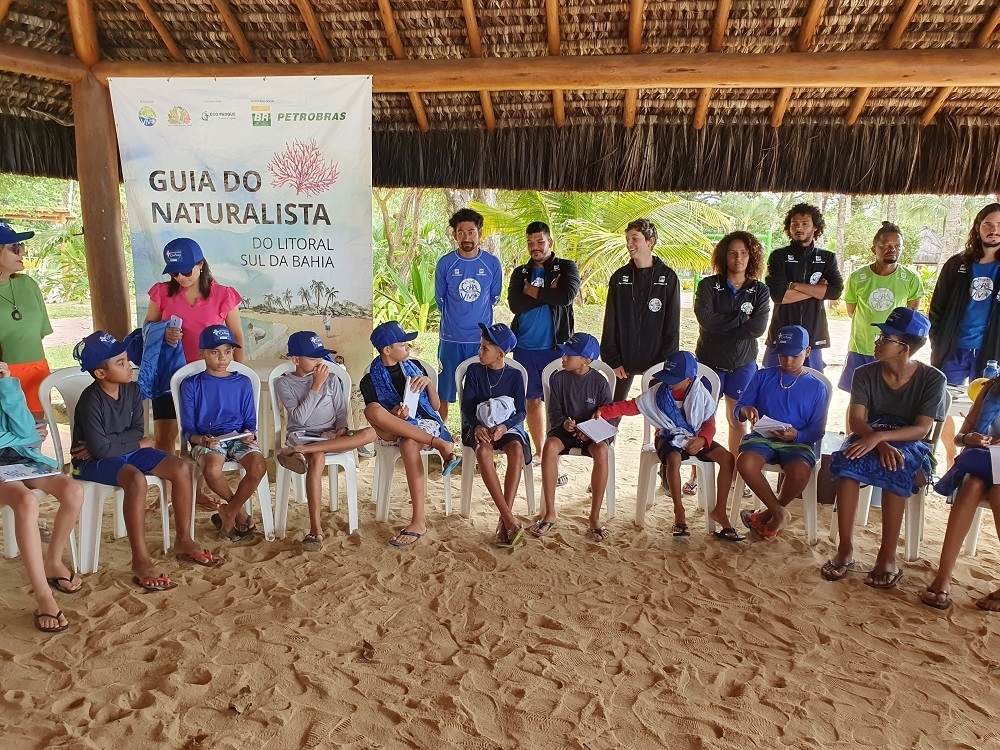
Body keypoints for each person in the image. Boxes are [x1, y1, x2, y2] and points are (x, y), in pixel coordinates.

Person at [70, 332, 219, 592]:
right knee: (135, 480)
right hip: (88, 463)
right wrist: (114, 445)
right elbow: (112, 447)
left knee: (182, 467)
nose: (129, 366)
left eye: (127, 360)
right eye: (120, 363)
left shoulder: (131, 390)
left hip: (112, 452)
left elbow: (136, 432)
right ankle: (140, 560)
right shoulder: (90, 400)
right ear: (100, 374)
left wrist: (110, 444)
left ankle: (184, 540)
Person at [823, 308, 945, 588]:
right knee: (848, 465)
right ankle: (845, 549)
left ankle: (886, 557)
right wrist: (874, 439)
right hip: (869, 432)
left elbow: (922, 429)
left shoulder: (932, 379)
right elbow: (856, 420)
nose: (877, 341)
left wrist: (881, 440)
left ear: (904, 348)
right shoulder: (865, 372)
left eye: (885, 337)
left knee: (897, 466)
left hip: (908, 440)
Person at [597, 351, 741, 541]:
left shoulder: (701, 393)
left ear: (689, 379)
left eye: (674, 379)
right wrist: (603, 411)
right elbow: (632, 406)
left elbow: (709, 422)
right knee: (673, 459)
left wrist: (703, 440)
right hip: (667, 435)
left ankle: (720, 510)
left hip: (696, 435)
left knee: (727, 458)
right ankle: (679, 512)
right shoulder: (659, 391)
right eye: (667, 377)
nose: (669, 382)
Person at [360, 321, 462, 548]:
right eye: (403, 344)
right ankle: (440, 445)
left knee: (408, 443)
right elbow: (378, 419)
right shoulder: (369, 379)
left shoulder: (416, 368)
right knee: (373, 409)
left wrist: (429, 385)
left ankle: (418, 521)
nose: (409, 348)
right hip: (391, 429)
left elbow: (435, 407)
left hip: (424, 424)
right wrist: (395, 415)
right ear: (387, 350)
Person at [145, 237, 245, 467]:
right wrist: (163, 332)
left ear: (200, 264)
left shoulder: (224, 295)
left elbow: (237, 337)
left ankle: (199, 490)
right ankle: (168, 494)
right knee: (165, 437)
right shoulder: (161, 293)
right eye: (174, 273)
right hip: (169, 374)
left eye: (185, 271)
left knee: (207, 435)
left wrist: (237, 374)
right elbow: (147, 329)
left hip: (210, 377)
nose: (180, 277)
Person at [0, 360, 83, 633]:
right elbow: (24, 435)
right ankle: (42, 595)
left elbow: (25, 433)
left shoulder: (7, 387)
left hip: (20, 459)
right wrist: (16, 437)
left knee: (73, 491)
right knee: (26, 501)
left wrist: (7, 386)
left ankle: (53, 562)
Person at [272, 331, 376, 549]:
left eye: (320, 357)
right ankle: (315, 529)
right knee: (317, 458)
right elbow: (299, 418)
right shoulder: (285, 383)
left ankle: (298, 451)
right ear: (295, 360)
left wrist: (341, 429)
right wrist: (316, 386)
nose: (319, 362)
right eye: (313, 358)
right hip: (302, 434)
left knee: (370, 433)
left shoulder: (332, 379)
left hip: (329, 435)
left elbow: (340, 412)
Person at [692, 230, 770, 497]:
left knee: (737, 420)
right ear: (724, 256)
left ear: (752, 257)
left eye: (744, 253)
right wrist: (739, 320)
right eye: (733, 252)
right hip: (709, 362)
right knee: (701, 417)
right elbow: (707, 321)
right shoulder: (708, 285)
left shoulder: (759, 290)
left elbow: (758, 328)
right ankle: (696, 472)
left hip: (743, 364)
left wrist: (724, 322)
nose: (738, 258)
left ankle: (736, 475)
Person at [735, 325, 829, 539]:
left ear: (807, 352)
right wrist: (746, 410)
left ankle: (768, 514)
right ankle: (778, 513)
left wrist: (797, 435)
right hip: (762, 437)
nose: (788, 362)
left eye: (794, 356)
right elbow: (739, 408)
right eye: (783, 356)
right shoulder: (763, 376)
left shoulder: (817, 387)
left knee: (800, 472)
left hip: (798, 443)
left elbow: (817, 430)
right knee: (745, 462)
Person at [929, 203, 1000, 467]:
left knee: (983, 407)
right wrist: (939, 341)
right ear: (978, 227)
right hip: (953, 349)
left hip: (991, 353)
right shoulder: (957, 263)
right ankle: (949, 454)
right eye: (988, 224)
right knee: (941, 402)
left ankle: (970, 459)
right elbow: (936, 308)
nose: (994, 231)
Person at [180, 325, 266, 542]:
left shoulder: (243, 382)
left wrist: (249, 434)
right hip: (209, 440)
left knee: (258, 466)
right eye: (214, 352)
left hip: (237, 437)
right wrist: (202, 440)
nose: (222, 358)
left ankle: (228, 512)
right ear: (201, 353)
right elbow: (188, 429)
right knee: (211, 469)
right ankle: (240, 513)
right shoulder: (191, 384)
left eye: (227, 351)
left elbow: (250, 422)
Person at [924, 373, 1000, 611]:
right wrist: (972, 437)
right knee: (971, 486)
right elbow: (960, 438)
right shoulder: (991, 389)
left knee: (999, 492)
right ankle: (943, 575)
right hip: (986, 462)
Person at [508, 221, 580, 468]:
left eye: (540, 241)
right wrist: (547, 294)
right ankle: (540, 452)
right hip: (524, 348)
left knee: (555, 402)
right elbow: (515, 305)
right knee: (532, 401)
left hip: (555, 348)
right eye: (530, 242)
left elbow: (566, 297)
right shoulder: (521, 273)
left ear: (550, 242)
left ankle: (555, 458)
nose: (534, 247)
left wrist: (533, 293)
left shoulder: (566, 267)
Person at [532, 333, 612, 542]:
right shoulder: (557, 378)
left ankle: (594, 518)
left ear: (586, 360)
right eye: (564, 353)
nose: (563, 358)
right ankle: (549, 512)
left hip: (592, 433)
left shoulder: (599, 383)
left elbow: (609, 416)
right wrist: (564, 423)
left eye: (570, 355)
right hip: (565, 430)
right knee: (549, 447)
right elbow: (554, 412)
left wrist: (590, 430)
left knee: (602, 451)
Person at [460, 323, 531, 548]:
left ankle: (504, 521)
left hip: (506, 427)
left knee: (516, 449)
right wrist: (477, 426)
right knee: (484, 450)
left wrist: (504, 426)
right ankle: (509, 520)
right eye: (480, 347)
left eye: (484, 349)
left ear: (501, 354)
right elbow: (466, 407)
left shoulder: (515, 376)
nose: (479, 352)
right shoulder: (473, 371)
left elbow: (521, 411)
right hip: (477, 425)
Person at [434, 208, 503, 422]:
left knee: (479, 392)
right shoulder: (446, 263)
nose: (467, 238)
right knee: (443, 392)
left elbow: (493, 297)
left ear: (479, 233)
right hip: (450, 339)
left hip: (479, 341)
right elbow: (440, 299)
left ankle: (476, 434)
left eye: (471, 232)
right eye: (461, 232)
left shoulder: (491, 264)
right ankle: (442, 433)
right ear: (454, 235)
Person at [838, 222, 923, 396]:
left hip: (894, 350)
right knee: (857, 397)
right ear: (873, 249)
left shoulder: (911, 279)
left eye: (897, 246)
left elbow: (911, 315)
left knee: (888, 396)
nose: (892, 249)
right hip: (860, 347)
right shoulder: (857, 278)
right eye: (885, 245)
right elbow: (852, 311)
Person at [601, 218, 680, 401]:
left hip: (656, 363)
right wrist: (612, 360)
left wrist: (663, 364)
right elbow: (610, 322)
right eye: (627, 239)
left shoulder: (667, 277)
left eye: (635, 238)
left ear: (650, 242)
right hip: (622, 361)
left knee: (661, 414)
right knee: (612, 411)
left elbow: (672, 326)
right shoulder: (619, 277)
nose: (629, 244)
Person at [763, 204, 843, 371]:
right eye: (794, 223)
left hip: (813, 336)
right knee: (772, 386)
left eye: (804, 223)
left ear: (815, 228)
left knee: (810, 386)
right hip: (781, 333)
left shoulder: (827, 258)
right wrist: (817, 291)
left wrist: (794, 286)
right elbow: (778, 296)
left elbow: (835, 292)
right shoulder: (779, 256)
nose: (798, 227)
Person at [0, 219, 53, 418]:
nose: (22, 252)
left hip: (37, 373)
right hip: (4, 377)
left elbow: (36, 334)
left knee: (36, 438)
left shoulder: (29, 285)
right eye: (14, 247)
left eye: (21, 246)